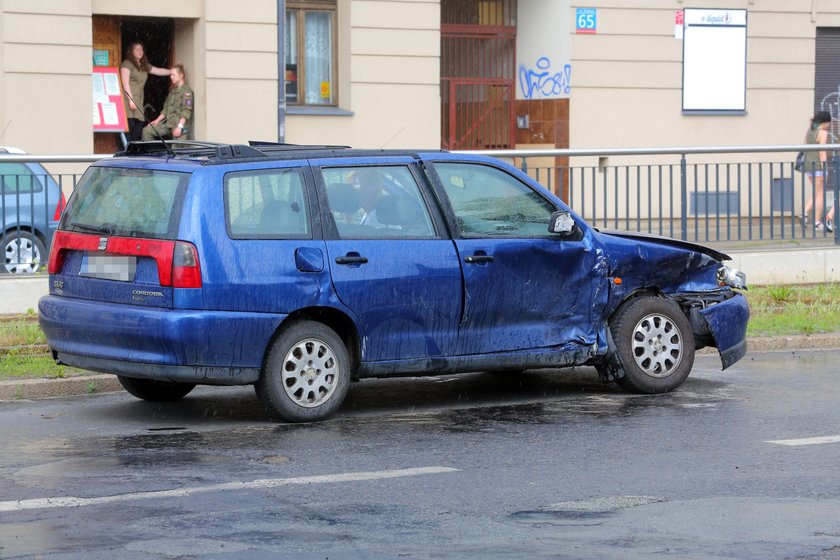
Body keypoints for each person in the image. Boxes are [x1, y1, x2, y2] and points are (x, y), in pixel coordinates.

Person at [120, 42, 171, 142]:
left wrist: (172, 72)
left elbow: (158, 71)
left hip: (139, 100)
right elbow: (125, 83)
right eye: (137, 49)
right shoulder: (127, 64)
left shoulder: (144, 65)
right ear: (131, 52)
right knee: (129, 127)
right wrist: (131, 100)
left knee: (138, 129)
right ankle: (126, 153)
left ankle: (133, 153)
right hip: (128, 100)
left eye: (141, 49)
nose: (140, 51)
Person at [142, 63, 194, 141]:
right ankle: (152, 152)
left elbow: (187, 111)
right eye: (170, 75)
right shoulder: (172, 91)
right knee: (147, 131)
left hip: (180, 126)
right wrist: (157, 120)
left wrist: (180, 127)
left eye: (173, 75)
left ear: (181, 75)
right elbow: (166, 108)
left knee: (176, 150)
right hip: (168, 124)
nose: (171, 77)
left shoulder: (187, 92)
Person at [800, 111, 834, 232]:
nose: (829, 125)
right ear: (825, 121)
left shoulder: (810, 130)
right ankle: (817, 222)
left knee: (816, 192)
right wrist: (824, 166)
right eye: (829, 123)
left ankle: (804, 213)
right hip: (818, 166)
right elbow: (822, 151)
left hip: (808, 165)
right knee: (820, 194)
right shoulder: (822, 132)